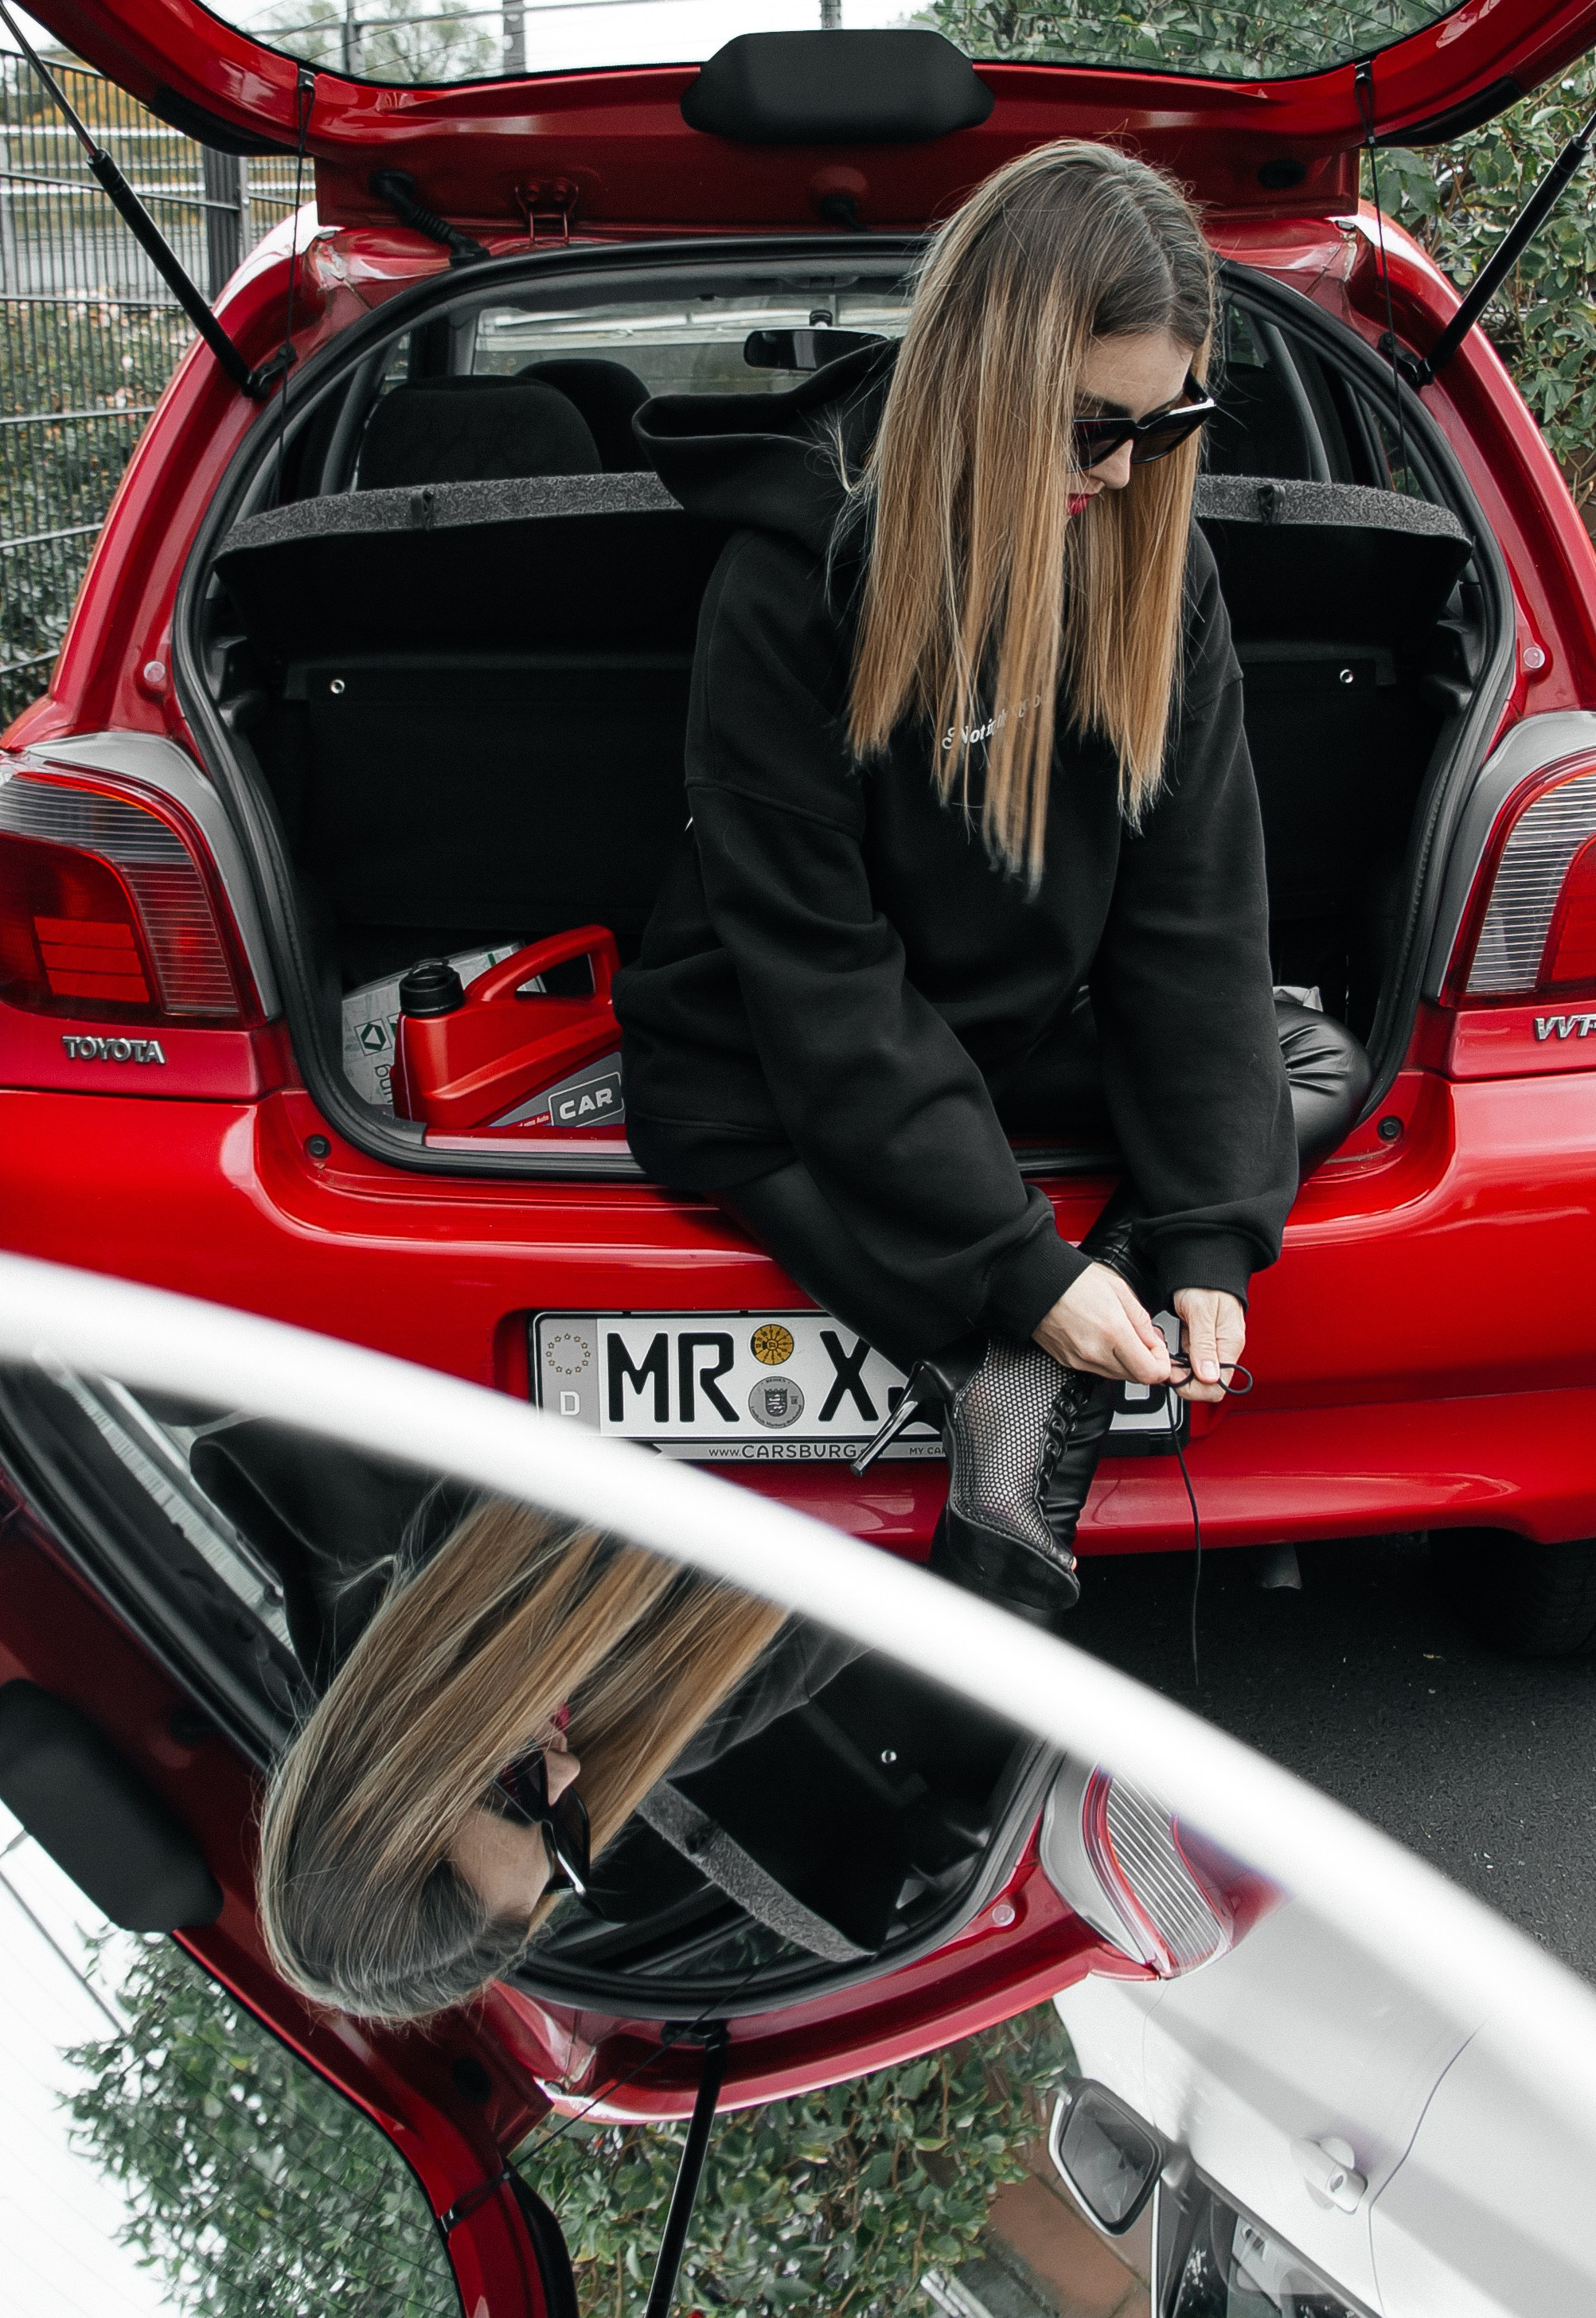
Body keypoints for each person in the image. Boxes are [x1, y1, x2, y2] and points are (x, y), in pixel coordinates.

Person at [615, 139, 1368, 1627]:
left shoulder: (1158, 560)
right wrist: (1024, 1270)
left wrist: (1207, 1232)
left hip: (1015, 1029)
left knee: (1314, 1054)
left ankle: (1026, 1380)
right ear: (991, 380)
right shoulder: (794, 572)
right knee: (709, 1112)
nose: (1124, 470)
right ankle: (1000, 1441)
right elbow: (816, 964)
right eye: (1093, 426)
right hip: (774, 1058)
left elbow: (1195, 907)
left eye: (1167, 423)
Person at [257, 1495, 851, 2019]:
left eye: (514, 1788)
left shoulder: (377, 1496)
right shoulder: (675, 1720)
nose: (570, 1773)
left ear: (411, 1746)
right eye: (563, 1838)